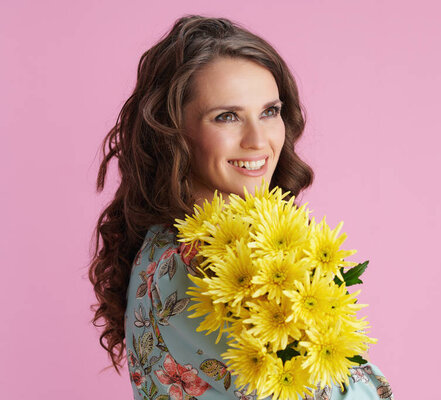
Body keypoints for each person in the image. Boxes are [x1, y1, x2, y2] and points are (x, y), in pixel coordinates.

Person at [89, 15, 394, 400]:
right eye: (227, 117)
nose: (258, 140)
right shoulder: (224, 262)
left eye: (269, 111)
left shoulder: (158, 244)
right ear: (173, 131)